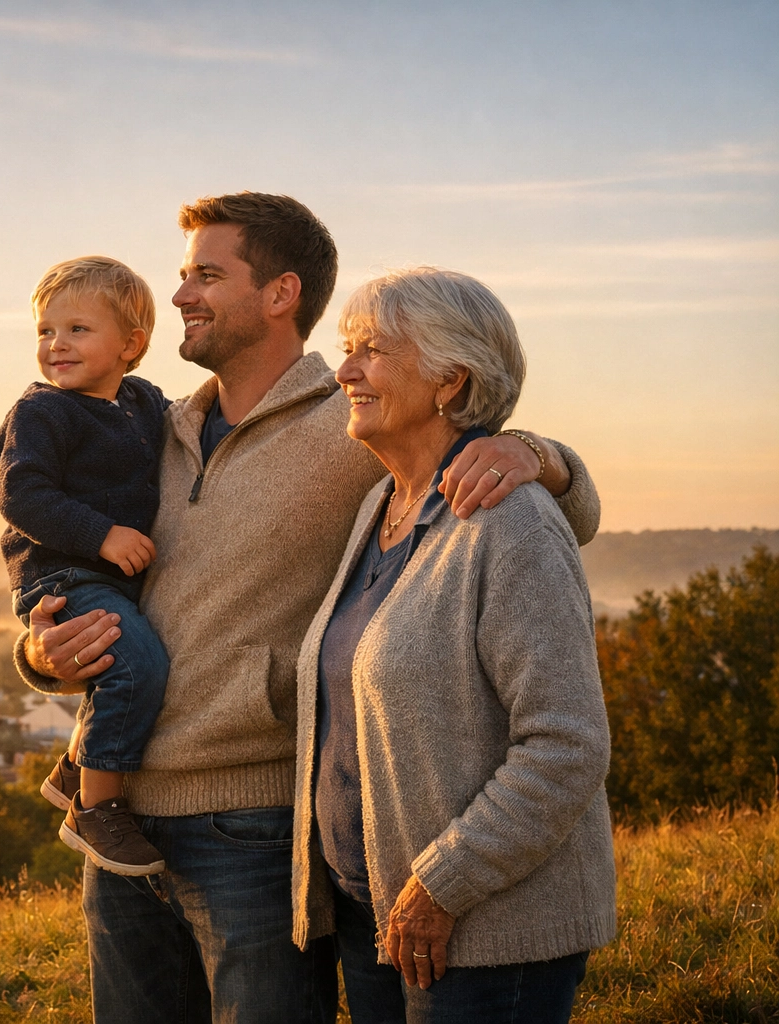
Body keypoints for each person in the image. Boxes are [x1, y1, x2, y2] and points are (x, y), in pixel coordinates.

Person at [15, 193, 602, 1024]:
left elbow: (547, 512)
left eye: (207, 275)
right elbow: (74, 566)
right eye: (184, 274)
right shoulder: (153, 427)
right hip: (114, 818)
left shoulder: (353, 419)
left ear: (281, 293)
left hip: (252, 829)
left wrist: (539, 455)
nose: (180, 294)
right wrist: (41, 656)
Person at [289, 267, 615, 1023]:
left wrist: (441, 884)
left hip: (481, 934)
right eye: (348, 348)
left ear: (450, 379)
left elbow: (565, 745)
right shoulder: (380, 504)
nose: (345, 371)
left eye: (371, 350)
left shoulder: (511, 521)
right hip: (377, 921)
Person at [0, 256, 172, 875]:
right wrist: (101, 536)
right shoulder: (42, 412)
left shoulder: (144, 402)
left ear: (132, 344)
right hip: (64, 574)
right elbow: (22, 496)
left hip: (107, 575)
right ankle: (95, 810)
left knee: (123, 664)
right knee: (136, 662)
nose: (56, 345)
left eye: (77, 329)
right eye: (46, 331)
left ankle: (75, 768)